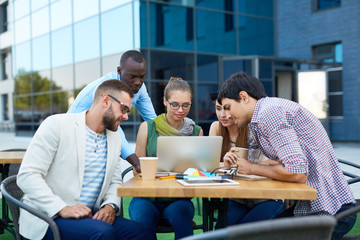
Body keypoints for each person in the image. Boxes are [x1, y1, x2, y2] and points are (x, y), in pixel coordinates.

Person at [217, 71, 357, 240]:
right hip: (313, 209)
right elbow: (283, 163)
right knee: (255, 234)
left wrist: (252, 168)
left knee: (254, 236)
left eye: (228, 107)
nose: (227, 115)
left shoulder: (269, 114)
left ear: (244, 97)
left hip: (330, 212)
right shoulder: (264, 114)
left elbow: (297, 172)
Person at [17, 80, 154, 240]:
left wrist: (110, 205)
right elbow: (27, 175)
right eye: (123, 109)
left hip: (90, 216)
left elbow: (115, 181)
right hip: (48, 217)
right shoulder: (56, 124)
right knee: (102, 232)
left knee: (142, 233)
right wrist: (62, 208)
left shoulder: (115, 138)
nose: (125, 116)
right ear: (105, 100)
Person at [129, 77, 203, 239]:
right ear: (165, 101)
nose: (180, 110)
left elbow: (199, 172)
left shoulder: (196, 132)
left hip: (178, 198)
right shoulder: (147, 128)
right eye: (174, 104)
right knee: (143, 218)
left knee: (181, 215)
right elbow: (136, 172)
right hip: (146, 198)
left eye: (185, 105)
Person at [68, 50, 156, 173]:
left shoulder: (140, 88)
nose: (138, 82)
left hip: (99, 137)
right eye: (132, 76)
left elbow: (152, 120)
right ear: (119, 71)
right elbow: (112, 125)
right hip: (74, 137)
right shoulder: (105, 88)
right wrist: (135, 161)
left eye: (142, 77)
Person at [209, 93, 283, 226]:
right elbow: (209, 167)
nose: (222, 115)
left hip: (267, 196)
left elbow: (277, 160)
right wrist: (226, 165)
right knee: (220, 233)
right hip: (238, 198)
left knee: (245, 233)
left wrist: (249, 167)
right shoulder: (216, 128)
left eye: (227, 108)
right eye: (218, 108)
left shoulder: (253, 127)